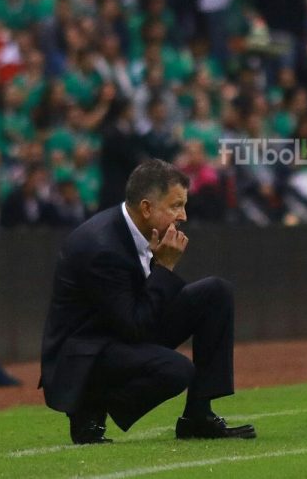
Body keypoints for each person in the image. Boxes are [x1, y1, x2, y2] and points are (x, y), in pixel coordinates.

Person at [40, 159, 256, 444]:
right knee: (177, 370)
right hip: (83, 357)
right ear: (146, 208)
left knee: (215, 293)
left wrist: (159, 269)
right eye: (175, 205)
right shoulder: (102, 247)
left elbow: (138, 316)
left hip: (117, 334)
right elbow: (136, 326)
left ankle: (198, 416)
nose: (183, 216)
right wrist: (163, 269)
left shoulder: (140, 231)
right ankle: (89, 408)